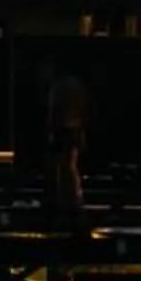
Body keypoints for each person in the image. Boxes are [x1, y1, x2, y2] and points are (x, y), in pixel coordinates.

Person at [45, 68, 89, 224]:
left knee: (64, 166)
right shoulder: (77, 86)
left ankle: (68, 199)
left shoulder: (59, 87)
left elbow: (53, 110)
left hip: (64, 129)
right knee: (69, 166)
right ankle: (73, 198)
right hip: (74, 128)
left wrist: (51, 129)